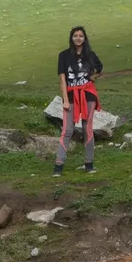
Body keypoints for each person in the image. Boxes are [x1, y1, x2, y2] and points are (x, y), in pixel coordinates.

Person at [53, 25, 104, 177]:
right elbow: (62, 78)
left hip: (87, 94)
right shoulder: (64, 55)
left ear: (84, 38)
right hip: (71, 95)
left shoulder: (90, 55)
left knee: (87, 129)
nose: (78, 38)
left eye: (81, 35)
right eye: (75, 35)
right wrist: (66, 100)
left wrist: (91, 78)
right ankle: (59, 165)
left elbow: (100, 69)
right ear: (71, 38)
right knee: (68, 129)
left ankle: (89, 164)